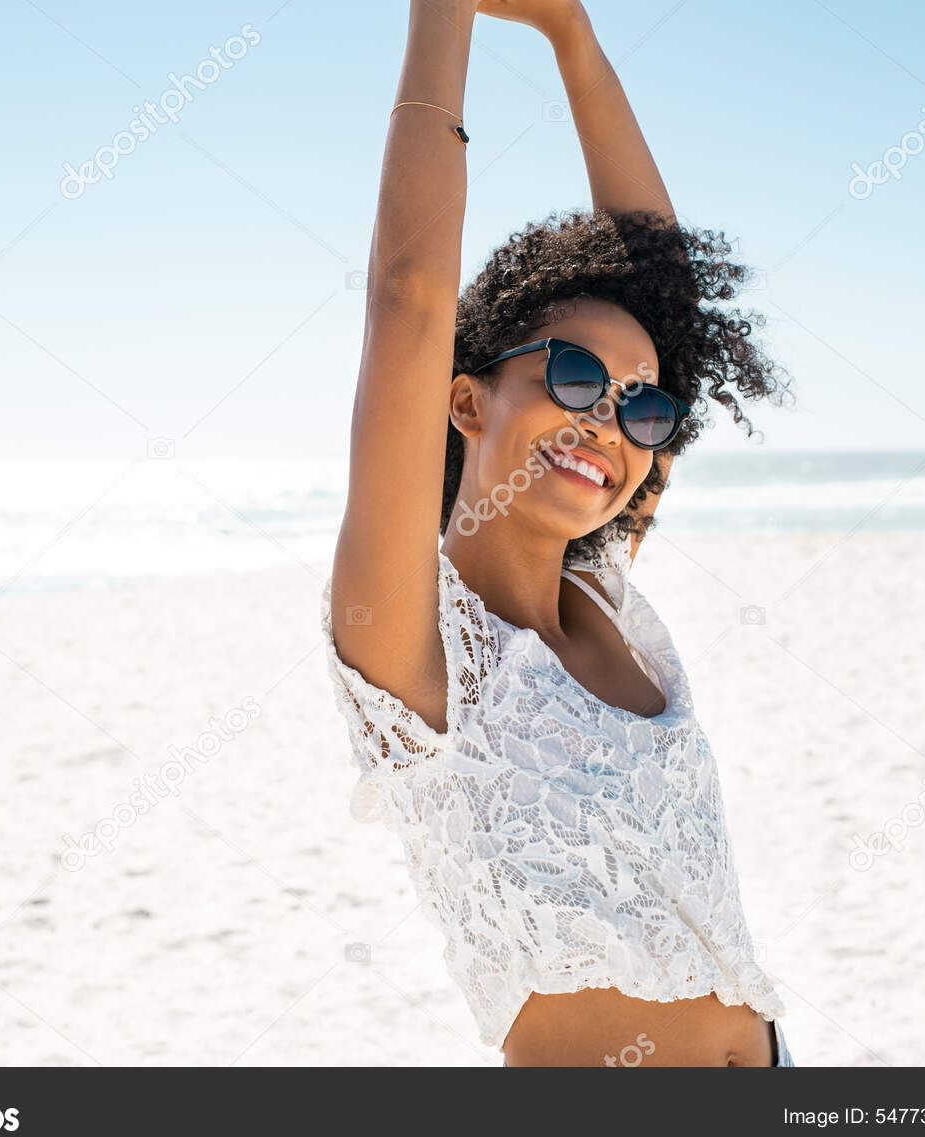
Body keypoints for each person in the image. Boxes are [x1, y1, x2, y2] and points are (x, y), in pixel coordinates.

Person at [321, 0, 794, 1066]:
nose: (606, 425)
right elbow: (407, 296)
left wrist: (570, 36)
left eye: (640, 408)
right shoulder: (416, 649)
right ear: (466, 401)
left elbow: (670, 300)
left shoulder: (611, 600)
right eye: (574, 375)